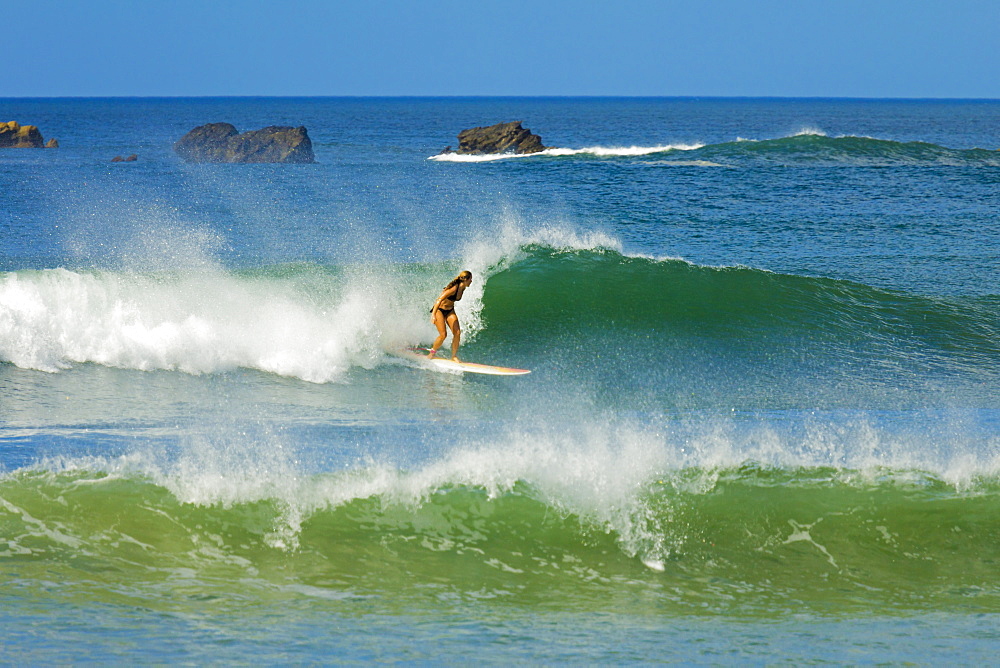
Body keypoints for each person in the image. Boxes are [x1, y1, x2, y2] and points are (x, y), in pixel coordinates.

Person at [428, 270, 472, 361]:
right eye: (470, 279)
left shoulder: (463, 287)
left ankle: (454, 356)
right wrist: (433, 315)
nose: (471, 281)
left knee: (457, 333)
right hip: (439, 310)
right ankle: (432, 353)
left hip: (450, 310)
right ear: (465, 280)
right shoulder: (454, 288)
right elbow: (439, 299)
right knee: (443, 335)